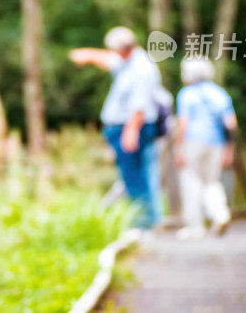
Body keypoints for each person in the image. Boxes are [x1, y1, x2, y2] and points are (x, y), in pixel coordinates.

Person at [70, 26, 163, 228]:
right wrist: (87, 55)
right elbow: (107, 60)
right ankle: (146, 220)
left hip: (132, 128)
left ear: (123, 49)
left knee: (135, 176)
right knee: (135, 175)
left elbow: (140, 104)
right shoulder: (127, 61)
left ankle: (143, 223)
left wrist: (131, 132)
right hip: (126, 127)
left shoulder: (142, 67)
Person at [174, 57, 237, 238]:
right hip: (216, 143)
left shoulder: (187, 94)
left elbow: (183, 124)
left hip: (193, 141)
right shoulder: (219, 93)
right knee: (212, 181)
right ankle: (220, 214)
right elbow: (231, 124)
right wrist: (229, 150)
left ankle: (195, 226)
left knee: (191, 180)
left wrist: (179, 148)